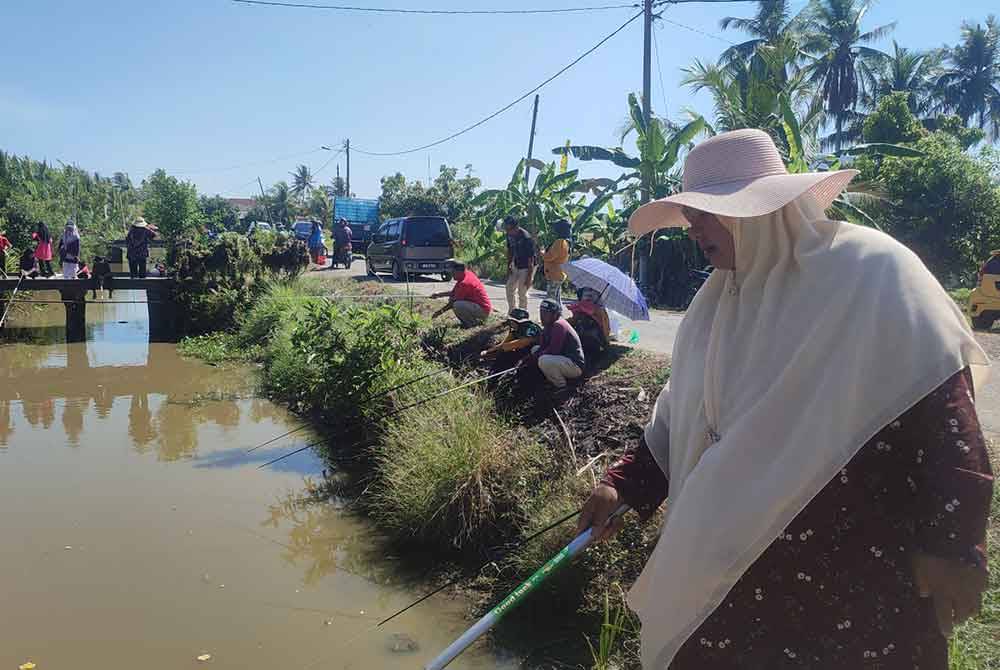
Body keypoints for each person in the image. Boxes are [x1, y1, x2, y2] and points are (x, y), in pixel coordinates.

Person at [576, 129, 993, 670]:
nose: (694, 226)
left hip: (852, 573)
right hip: (731, 583)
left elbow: (946, 417)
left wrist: (954, 545)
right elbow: (685, 419)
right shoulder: (716, 302)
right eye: (690, 214)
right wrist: (623, 485)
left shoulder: (871, 273)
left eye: (707, 211)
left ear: (760, 209)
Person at [522, 299, 585, 389]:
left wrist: (534, 358)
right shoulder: (548, 325)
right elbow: (542, 347)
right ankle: (548, 376)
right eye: (541, 312)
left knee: (543, 360)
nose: (542, 316)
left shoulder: (559, 325)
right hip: (562, 360)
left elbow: (553, 350)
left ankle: (561, 386)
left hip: (574, 366)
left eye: (546, 313)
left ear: (555, 314)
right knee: (535, 349)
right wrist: (528, 358)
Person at [431, 262, 492, 327]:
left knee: (457, 305)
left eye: (453, 273)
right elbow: (454, 292)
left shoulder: (465, 283)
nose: (452, 275)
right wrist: (439, 294)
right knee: (454, 300)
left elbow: (452, 303)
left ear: (459, 272)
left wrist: (438, 313)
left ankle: (471, 323)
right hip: (479, 306)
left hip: (482, 310)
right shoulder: (466, 274)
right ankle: (471, 322)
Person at [567, 287, 611, 362]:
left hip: (591, 343)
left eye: (591, 295)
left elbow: (605, 330)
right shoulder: (581, 308)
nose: (589, 297)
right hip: (589, 343)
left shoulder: (599, 311)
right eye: (587, 295)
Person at [504, 217, 536, 313]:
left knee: (522, 291)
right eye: (506, 229)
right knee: (509, 287)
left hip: (527, 266)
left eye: (510, 229)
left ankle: (522, 314)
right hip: (516, 264)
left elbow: (531, 259)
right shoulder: (509, 235)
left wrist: (529, 277)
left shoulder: (526, 238)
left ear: (516, 227)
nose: (508, 231)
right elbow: (510, 251)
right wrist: (508, 266)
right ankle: (512, 312)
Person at [540, 219, 571, 304]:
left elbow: (550, 257)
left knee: (551, 299)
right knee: (556, 298)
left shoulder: (559, 242)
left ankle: (553, 316)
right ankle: (558, 314)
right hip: (558, 273)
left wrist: (542, 252)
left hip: (554, 274)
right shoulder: (566, 241)